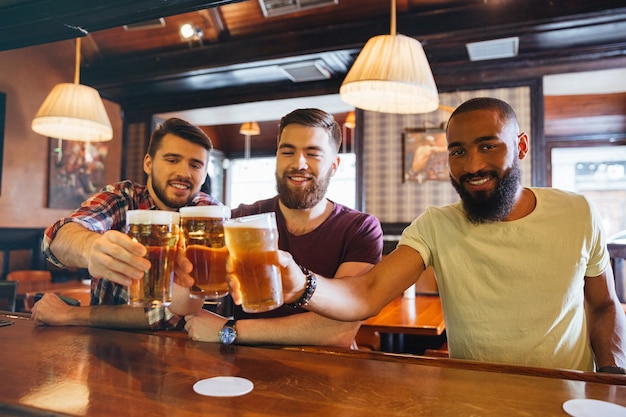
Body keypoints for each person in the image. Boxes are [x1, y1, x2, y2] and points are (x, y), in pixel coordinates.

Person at [229, 97, 626, 372]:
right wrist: (304, 284)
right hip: (471, 391)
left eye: (488, 146)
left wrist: (609, 375)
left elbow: (606, 306)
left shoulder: (578, 212)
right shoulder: (436, 224)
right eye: (457, 152)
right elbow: (366, 293)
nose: (473, 165)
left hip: (568, 393)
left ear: (520, 146)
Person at [183, 108, 383, 348]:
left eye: (313, 154)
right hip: (247, 371)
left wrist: (230, 330)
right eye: (287, 152)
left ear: (334, 165)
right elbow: (189, 299)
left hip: (327, 371)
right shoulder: (242, 218)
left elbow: (337, 331)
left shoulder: (360, 228)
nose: (298, 163)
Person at [32, 117, 219, 329]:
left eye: (195, 165)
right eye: (172, 160)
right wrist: (91, 247)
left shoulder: (207, 216)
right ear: (148, 163)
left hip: (184, 352)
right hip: (105, 348)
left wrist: (73, 315)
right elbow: (57, 238)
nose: (184, 173)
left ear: (204, 174)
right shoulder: (123, 197)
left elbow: (170, 312)